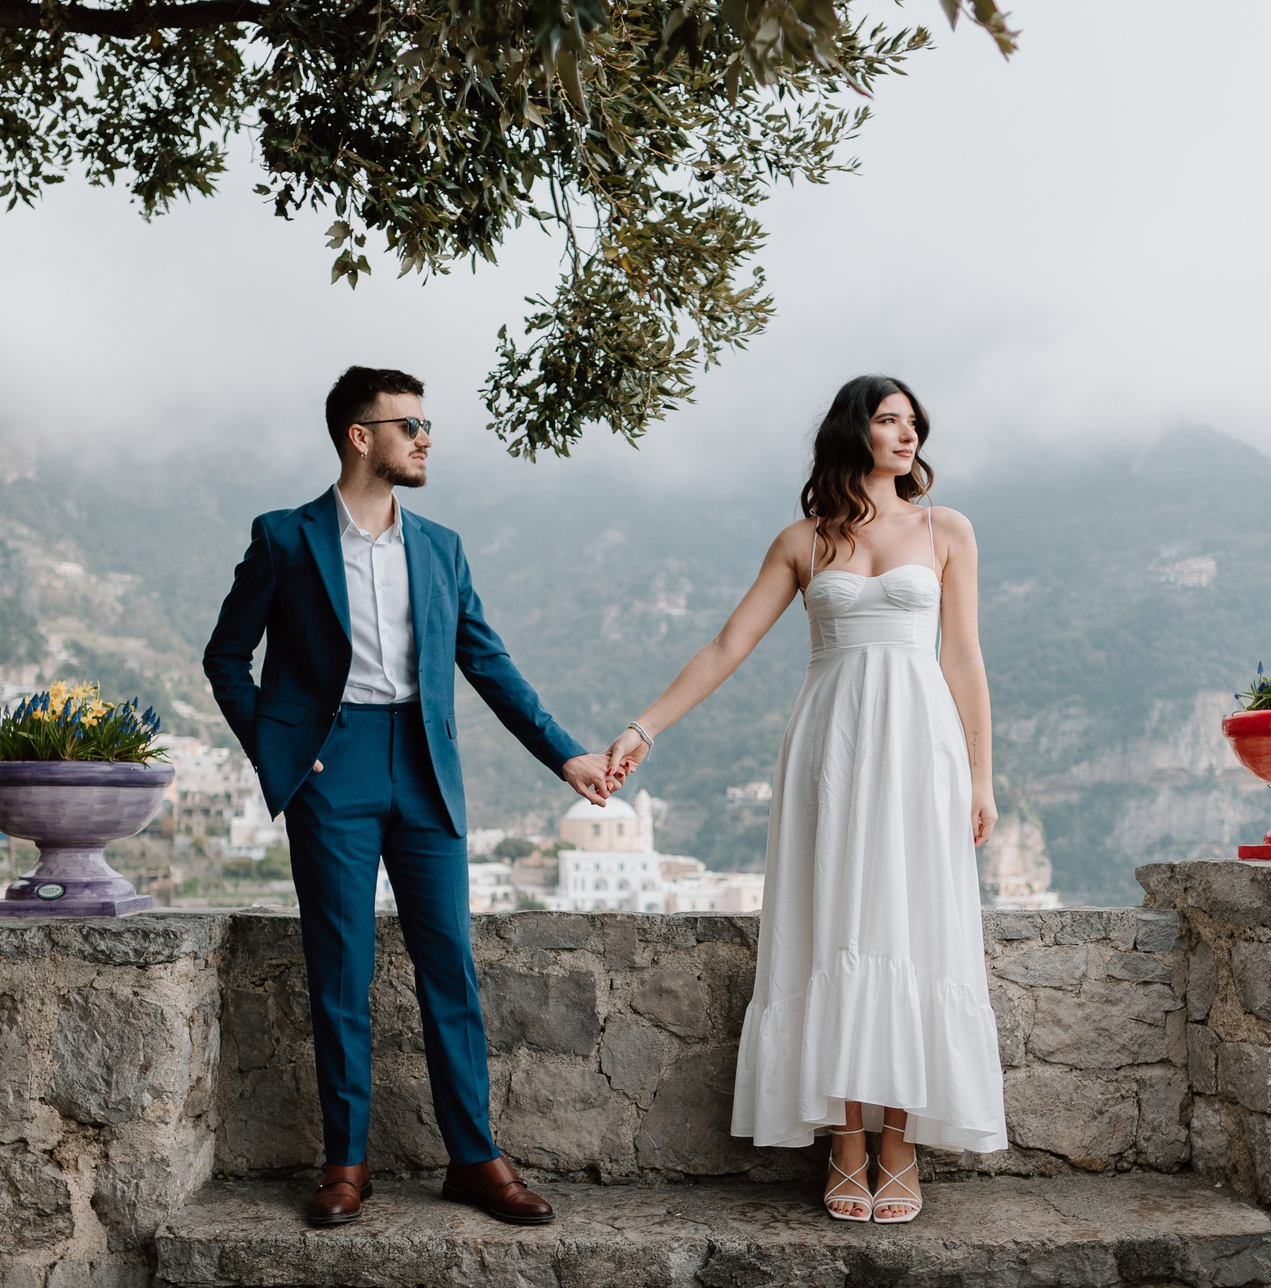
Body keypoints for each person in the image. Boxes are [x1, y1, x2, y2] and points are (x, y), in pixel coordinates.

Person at [203, 366, 616, 1230]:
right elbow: (226, 659)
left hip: (425, 767)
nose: (426, 437)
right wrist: (284, 757)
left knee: (450, 970)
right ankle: (345, 1163)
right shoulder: (285, 538)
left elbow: (488, 662)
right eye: (410, 423)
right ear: (362, 436)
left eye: (427, 423)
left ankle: (475, 1159)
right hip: (331, 766)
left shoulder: (442, 547)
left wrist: (567, 756)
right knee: (341, 972)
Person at [606, 376, 1004, 1224]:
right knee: (838, 925)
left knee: (910, 923)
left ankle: (899, 1139)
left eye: (913, 423)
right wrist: (644, 728)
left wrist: (981, 776)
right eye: (888, 420)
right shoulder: (802, 540)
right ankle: (847, 1138)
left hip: (919, 744)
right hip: (833, 747)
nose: (906, 434)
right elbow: (729, 643)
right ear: (853, 431)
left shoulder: (947, 530)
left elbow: (964, 657)